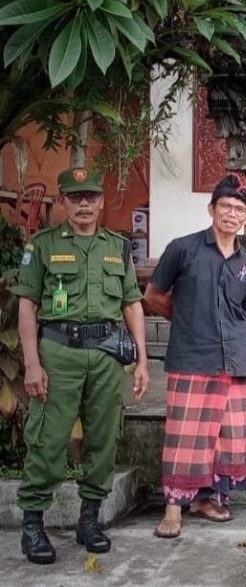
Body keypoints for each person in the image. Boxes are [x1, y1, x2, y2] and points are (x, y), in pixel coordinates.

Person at [12, 167, 149, 565]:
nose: (84, 203)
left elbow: (131, 304)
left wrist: (141, 359)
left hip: (107, 356)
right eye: (75, 197)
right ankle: (33, 525)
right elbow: (28, 306)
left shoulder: (117, 247)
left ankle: (89, 521)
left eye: (91, 196)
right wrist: (32, 364)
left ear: (102, 201)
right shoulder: (42, 246)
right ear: (65, 203)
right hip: (59, 353)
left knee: (104, 439)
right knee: (49, 440)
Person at [144, 174, 246, 538]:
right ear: (212, 209)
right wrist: (187, 319)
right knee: (186, 435)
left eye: (239, 209)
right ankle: (173, 507)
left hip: (234, 359)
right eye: (225, 206)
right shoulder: (184, 248)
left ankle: (208, 499)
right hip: (193, 356)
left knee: (227, 436)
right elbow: (152, 294)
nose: (231, 213)